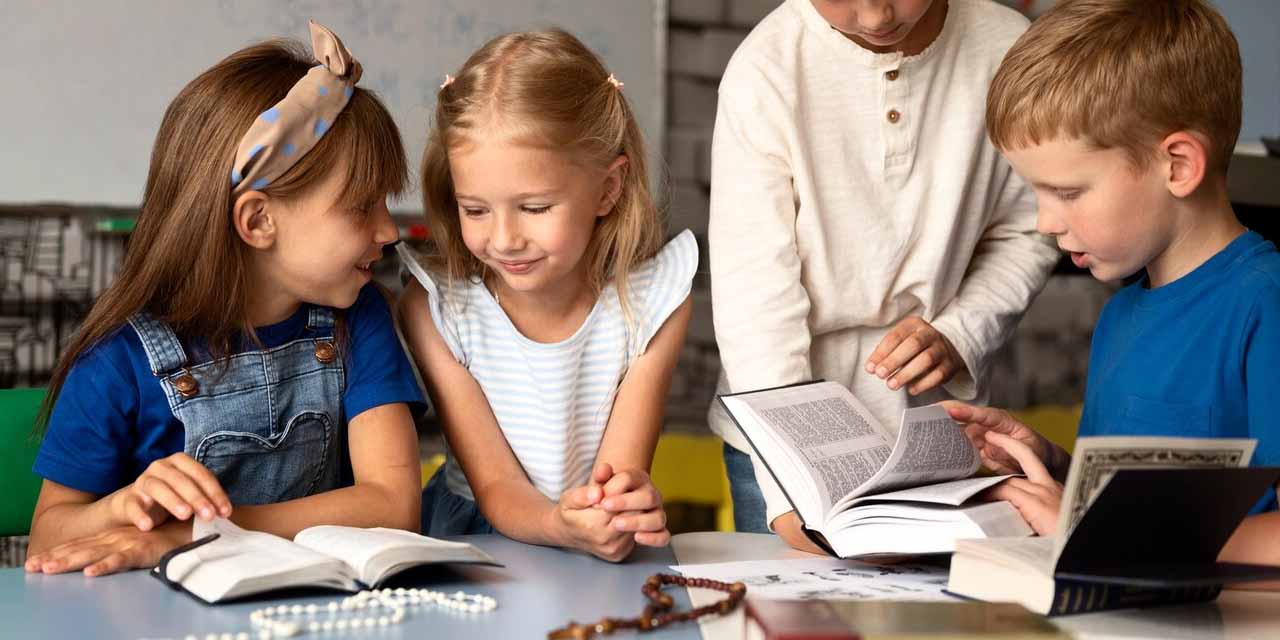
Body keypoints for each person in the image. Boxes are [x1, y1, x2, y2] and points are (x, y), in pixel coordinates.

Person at [25, 22, 424, 577]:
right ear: (258, 220)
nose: (390, 231)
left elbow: (393, 506)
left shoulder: (359, 318)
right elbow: (45, 537)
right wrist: (120, 510)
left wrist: (190, 535)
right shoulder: (115, 360)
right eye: (363, 206)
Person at [945, 0, 1280, 577]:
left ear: (1177, 165)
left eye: (1068, 193)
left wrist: (1094, 532)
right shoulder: (1121, 313)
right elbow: (1143, 506)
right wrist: (1046, 463)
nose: (1045, 222)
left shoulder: (1263, 303)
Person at [708, 0, 1058, 549]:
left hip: (940, 430)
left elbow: (1032, 226)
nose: (874, 16)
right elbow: (756, 307)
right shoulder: (765, 70)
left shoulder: (1010, 50)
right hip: (780, 437)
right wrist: (790, 487)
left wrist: (963, 330)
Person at [397, 29, 694, 562]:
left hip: (583, 544)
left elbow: (621, 471)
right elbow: (496, 488)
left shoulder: (652, 305)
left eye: (534, 208)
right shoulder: (438, 310)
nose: (505, 238)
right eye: (475, 210)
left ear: (607, 189)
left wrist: (617, 507)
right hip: (475, 541)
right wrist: (560, 524)